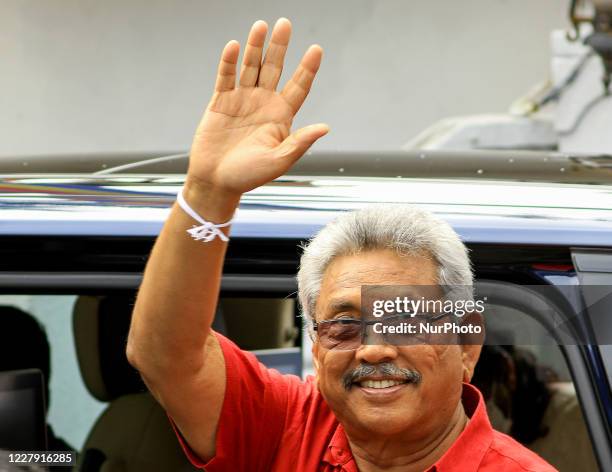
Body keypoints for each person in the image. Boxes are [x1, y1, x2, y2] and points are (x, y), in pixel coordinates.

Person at [126, 18, 556, 471]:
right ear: (315, 347)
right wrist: (208, 192)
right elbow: (165, 353)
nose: (373, 350)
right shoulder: (287, 425)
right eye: (344, 325)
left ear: (467, 345)